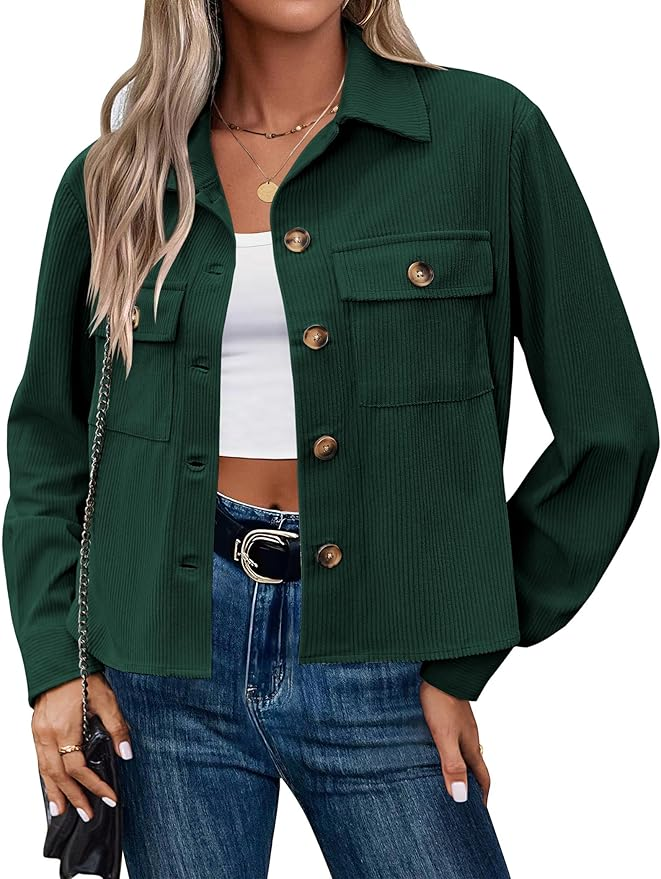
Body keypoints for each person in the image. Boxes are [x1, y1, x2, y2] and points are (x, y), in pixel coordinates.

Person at [3, 1, 658, 877]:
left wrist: (468, 646)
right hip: (161, 673)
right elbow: (49, 445)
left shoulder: (485, 135)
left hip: (389, 659)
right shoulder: (116, 178)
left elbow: (610, 430)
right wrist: (56, 667)